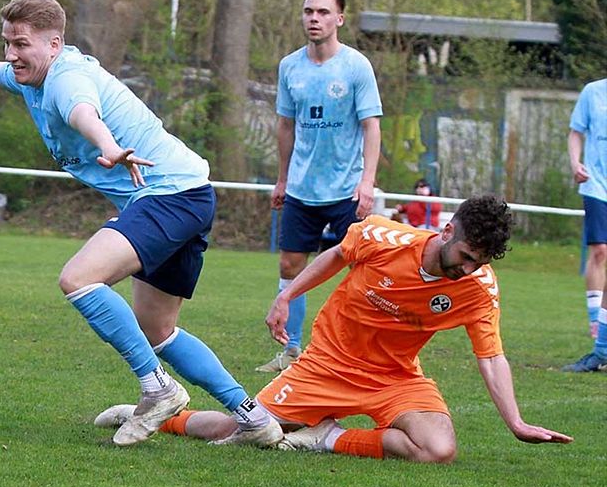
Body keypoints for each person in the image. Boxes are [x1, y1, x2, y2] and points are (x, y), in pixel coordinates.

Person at [0, 0, 282, 447]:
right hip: (188, 194)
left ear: (54, 43)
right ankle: (254, 417)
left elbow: (82, 112)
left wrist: (107, 146)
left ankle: (158, 389)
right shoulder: (32, 76)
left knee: (79, 279)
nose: (11, 54)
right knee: (158, 329)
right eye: (8, 42)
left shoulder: (67, 79)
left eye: (21, 44)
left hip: (170, 196)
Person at [96, 195, 573, 461]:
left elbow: (491, 356)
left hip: (396, 379)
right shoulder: (383, 236)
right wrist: (287, 294)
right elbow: (337, 255)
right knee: (234, 427)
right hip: (325, 367)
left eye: (479, 263)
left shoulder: (479, 287)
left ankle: (327, 438)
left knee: (437, 449)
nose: (468, 270)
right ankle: (157, 414)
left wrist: (516, 422)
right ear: (448, 231)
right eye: (466, 257)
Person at [256, 0, 382, 373]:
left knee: (359, 268)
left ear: (339, 19)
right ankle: (291, 352)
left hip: (346, 189)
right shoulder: (289, 66)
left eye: (324, 12)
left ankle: (357, 352)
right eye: (309, 11)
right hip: (301, 189)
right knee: (291, 265)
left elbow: (371, 126)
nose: (314, 18)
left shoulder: (356, 66)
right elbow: (285, 126)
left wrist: (367, 182)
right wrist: (281, 179)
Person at [563, 78, 607, 371]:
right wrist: (575, 163)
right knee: (601, 251)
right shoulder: (593, 92)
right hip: (597, 186)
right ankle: (597, 325)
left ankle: (602, 347)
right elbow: (575, 133)